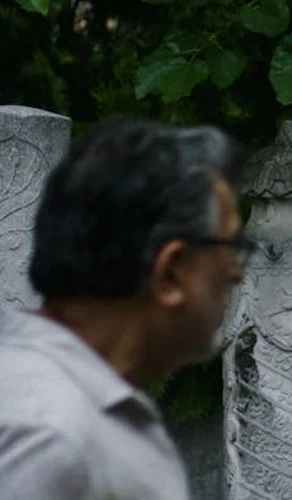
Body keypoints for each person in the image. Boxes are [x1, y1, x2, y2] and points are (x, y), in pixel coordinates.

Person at [0, 119, 254, 499]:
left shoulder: (78, 408)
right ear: (170, 271)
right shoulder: (50, 437)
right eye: (231, 247)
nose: (237, 273)